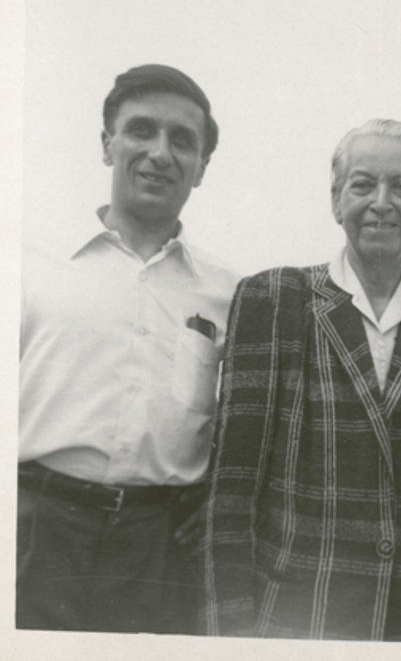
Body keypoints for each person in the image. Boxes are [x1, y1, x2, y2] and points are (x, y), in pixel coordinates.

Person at [203, 119, 401, 641]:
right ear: (337, 200)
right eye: (363, 184)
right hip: (295, 626)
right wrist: (230, 638)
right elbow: (231, 494)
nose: (381, 201)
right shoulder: (273, 300)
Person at [17, 64, 239, 634]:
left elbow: (239, 426)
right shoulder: (27, 269)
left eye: (182, 140)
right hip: (33, 533)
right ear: (107, 143)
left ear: (203, 168)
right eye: (141, 130)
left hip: (159, 551)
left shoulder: (230, 295)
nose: (159, 153)